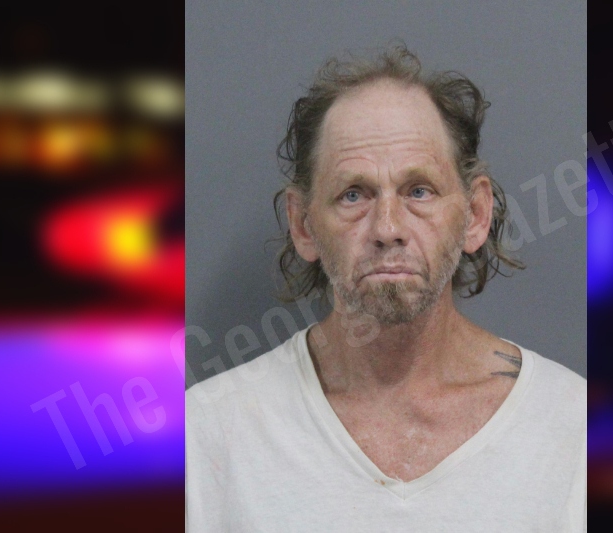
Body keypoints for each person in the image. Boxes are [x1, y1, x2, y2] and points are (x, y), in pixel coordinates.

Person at [187, 46, 586, 532]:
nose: (387, 228)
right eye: (353, 194)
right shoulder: (207, 437)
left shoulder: (576, 431)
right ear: (303, 225)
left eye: (419, 190)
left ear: (475, 215)